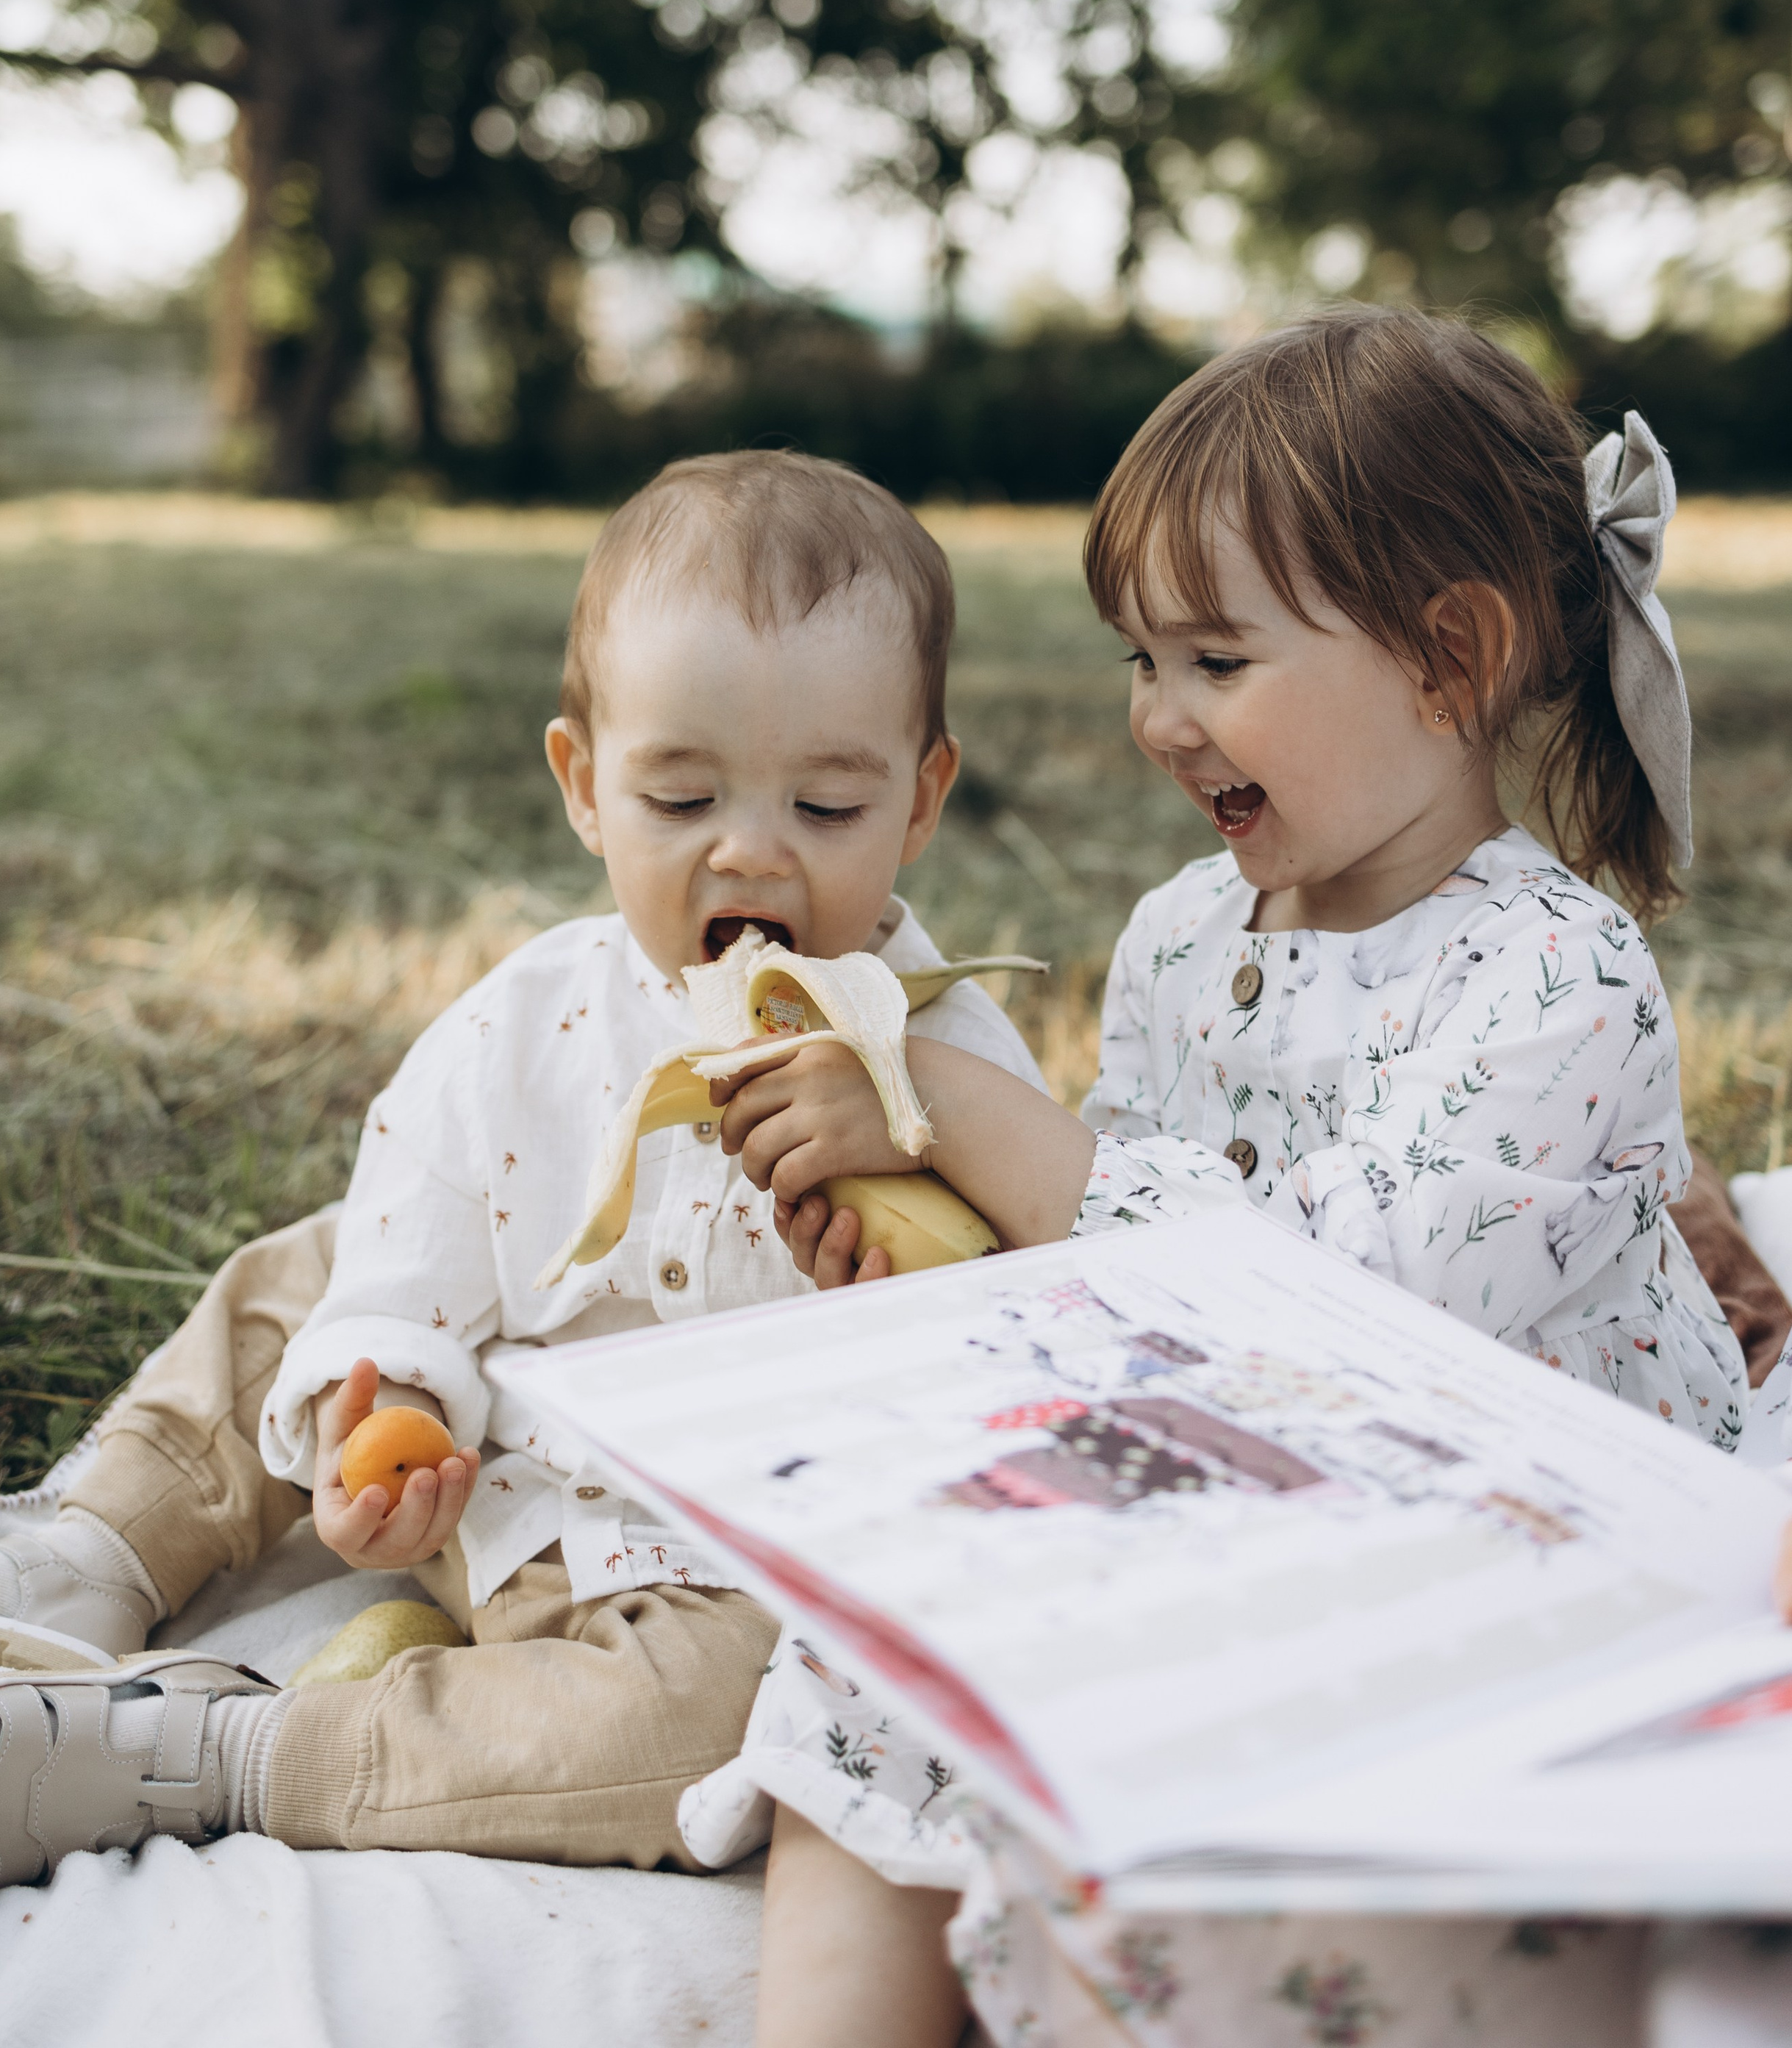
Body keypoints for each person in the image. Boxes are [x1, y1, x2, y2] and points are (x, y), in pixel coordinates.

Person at [687, 306, 1742, 2048]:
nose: (1159, 722)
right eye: (1138, 664)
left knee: (1240, 1782)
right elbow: (1108, 1268)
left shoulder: (1556, 978)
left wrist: (969, 1118)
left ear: (1447, 657)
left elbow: (1343, 1323)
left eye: (1214, 662)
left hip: (1497, 1522)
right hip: (1241, 1474)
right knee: (894, 1639)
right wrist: (931, 1246)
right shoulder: (1186, 936)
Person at [0, 451, 1056, 1892]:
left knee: (746, 1720)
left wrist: (908, 1256)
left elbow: (1029, 1346)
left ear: (920, 799)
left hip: (678, 1584)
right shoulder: (533, 1017)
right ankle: (91, 1555)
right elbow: (409, 1254)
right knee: (314, 1270)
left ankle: (237, 1757)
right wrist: (374, 1406)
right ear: (584, 787)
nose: (748, 853)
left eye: (826, 809)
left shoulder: (948, 1056)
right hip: (471, 1478)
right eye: (681, 796)